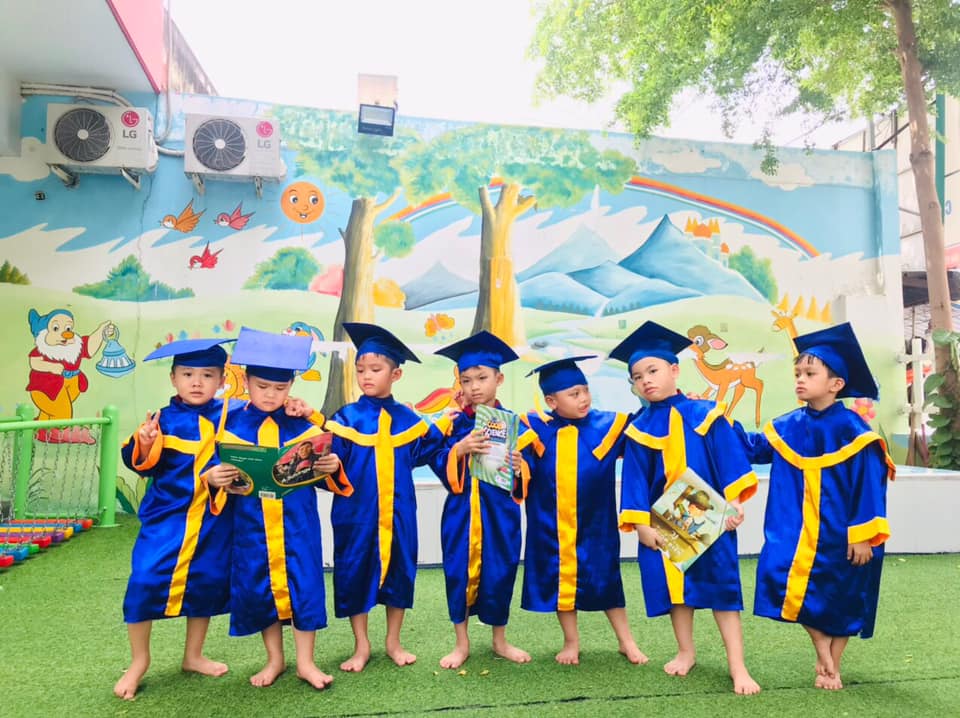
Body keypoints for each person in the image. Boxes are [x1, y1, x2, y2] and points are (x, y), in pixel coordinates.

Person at [732, 322, 894, 690]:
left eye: (810, 374)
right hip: (793, 528)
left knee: (842, 594)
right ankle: (823, 650)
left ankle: (832, 667)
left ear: (836, 384)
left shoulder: (855, 431)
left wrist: (863, 535)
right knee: (778, 573)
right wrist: (716, 419)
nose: (800, 380)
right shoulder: (787, 426)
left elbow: (869, 486)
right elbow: (752, 449)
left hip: (843, 531)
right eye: (797, 374)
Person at [612, 321, 761, 695]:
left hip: (709, 514)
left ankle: (738, 666)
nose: (646, 381)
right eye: (637, 377)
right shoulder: (639, 428)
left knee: (723, 589)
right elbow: (634, 479)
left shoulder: (707, 413)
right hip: (665, 520)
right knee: (677, 591)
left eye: (653, 370)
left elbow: (729, 459)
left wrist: (734, 503)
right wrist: (640, 524)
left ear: (675, 370)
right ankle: (685, 651)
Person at [220, 327, 351, 689]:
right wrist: (219, 478)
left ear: (291, 385)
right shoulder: (230, 424)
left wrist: (331, 467)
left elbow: (328, 470)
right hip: (252, 525)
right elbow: (215, 470)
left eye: (280, 388)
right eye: (262, 386)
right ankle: (275, 659)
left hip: (298, 524)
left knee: (304, 587)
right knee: (261, 587)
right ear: (247, 382)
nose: (270, 394)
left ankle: (306, 662)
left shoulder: (302, 424)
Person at [114, 338, 239, 700]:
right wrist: (145, 441)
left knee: (205, 581)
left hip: (213, 520)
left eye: (207, 375)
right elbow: (139, 462)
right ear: (173, 378)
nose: (196, 382)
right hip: (168, 518)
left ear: (221, 381)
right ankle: (139, 661)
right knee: (144, 581)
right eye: (187, 374)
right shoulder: (162, 420)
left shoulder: (232, 416)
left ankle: (193, 656)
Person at [323, 322, 447, 671]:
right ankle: (361, 645)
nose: (366, 376)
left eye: (375, 369)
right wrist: (330, 466)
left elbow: (436, 453)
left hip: (399, 512)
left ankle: (393, 641)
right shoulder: (345, 418)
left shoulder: (409, 420)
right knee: (354, 571)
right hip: (355, 514)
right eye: (361, 369)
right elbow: (329, 465)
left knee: (399, 571)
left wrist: (459, 440)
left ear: (396, 374)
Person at [516, 355, 647, 666]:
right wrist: (518, 468)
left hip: (596, 524)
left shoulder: (610, 425)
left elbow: (648, 429)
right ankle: (571, 642)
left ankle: (626, 641)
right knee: (560, 582)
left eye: (585, 390)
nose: (584, 398)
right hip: (550, 523)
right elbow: (520, 470)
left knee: (607, 579)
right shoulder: (535, 429)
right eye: (574, 394)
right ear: (552, 401)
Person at [428, 331, 530, 669]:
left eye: (482, 378)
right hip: (461, 513)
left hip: (500, 514)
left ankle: (500, 640)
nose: (474, 387)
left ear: (499, 379)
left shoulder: (514, 424)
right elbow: (434, 458)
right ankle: (462, 643)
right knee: (458, 572)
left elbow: (528, 475)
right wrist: (459, 450)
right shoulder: (453, 423)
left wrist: (519, 467)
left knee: (501, 571)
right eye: (466, 379)